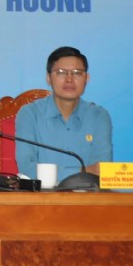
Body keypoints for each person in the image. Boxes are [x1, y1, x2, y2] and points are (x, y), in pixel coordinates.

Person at [15, 46, 112, 182]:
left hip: (87, 199)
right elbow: (27, 170)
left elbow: (102, 171)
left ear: (87, 78)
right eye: (61, 72)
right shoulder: (30, 114)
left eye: (77, 73)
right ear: (48, 78)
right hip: (41, 200)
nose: (69, 79)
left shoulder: (99, 116)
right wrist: (83, 172)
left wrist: (53, 174)